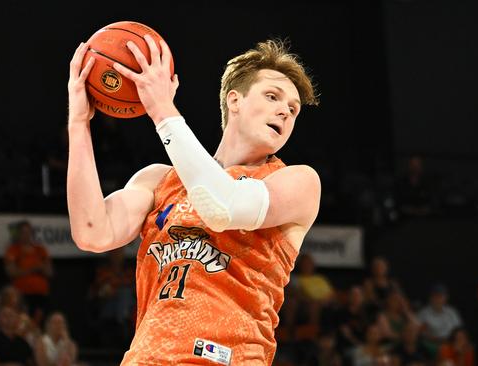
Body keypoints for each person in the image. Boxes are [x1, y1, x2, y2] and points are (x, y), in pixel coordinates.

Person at [67, 35, 320, 365]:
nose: (284, 112)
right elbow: (91, 231)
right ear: (234, 101)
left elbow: (222, 206)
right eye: (272, 96)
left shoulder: (297, 181)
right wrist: (79, 123)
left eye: (293, 109)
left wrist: (161, 109)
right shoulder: (159, 179)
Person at [4, 220, 53, 327]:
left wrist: (39, 268)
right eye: (23, 232)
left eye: (28, 232)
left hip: (41, 295)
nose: (26, 235)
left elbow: (49, 272)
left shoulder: (40, 250)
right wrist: (35, 268)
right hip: (22, 295)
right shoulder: (13, 250)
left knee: (39, 324)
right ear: (18, 234)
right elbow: (11, 272)